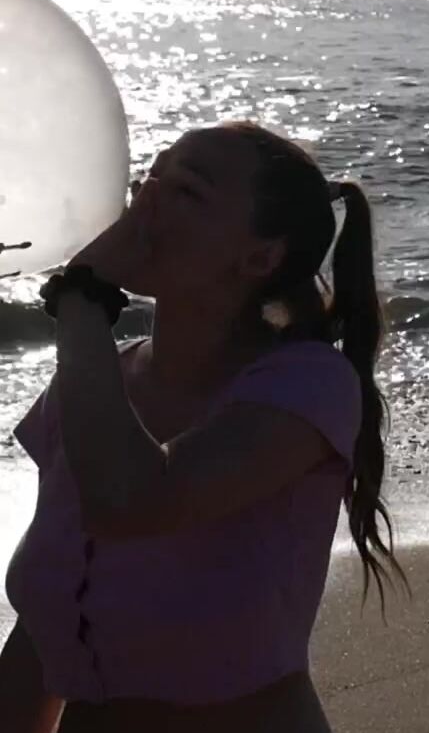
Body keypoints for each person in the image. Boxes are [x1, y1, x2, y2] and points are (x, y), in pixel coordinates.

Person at [0, 121, 405, 732]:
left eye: (185, 191)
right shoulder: (92, 384)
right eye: (149, 177)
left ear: (259, 258)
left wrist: (83, 300)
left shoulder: (309, 384)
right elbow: (46, 631)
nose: (146, 199)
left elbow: (135, 498)